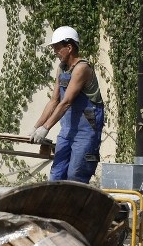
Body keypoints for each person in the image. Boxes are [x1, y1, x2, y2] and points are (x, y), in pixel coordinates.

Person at [28, 26, 105, 183]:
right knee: (57, 174)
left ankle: (78, 207)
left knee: (75, 176)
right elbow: (54, 101)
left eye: (57, 48)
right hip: (68, 129)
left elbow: (66, 102)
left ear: (69, 47)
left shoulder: (82, 68)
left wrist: (46, 129)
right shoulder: (62, 68)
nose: (54, 52)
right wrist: (36, 127)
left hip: (86, 131)